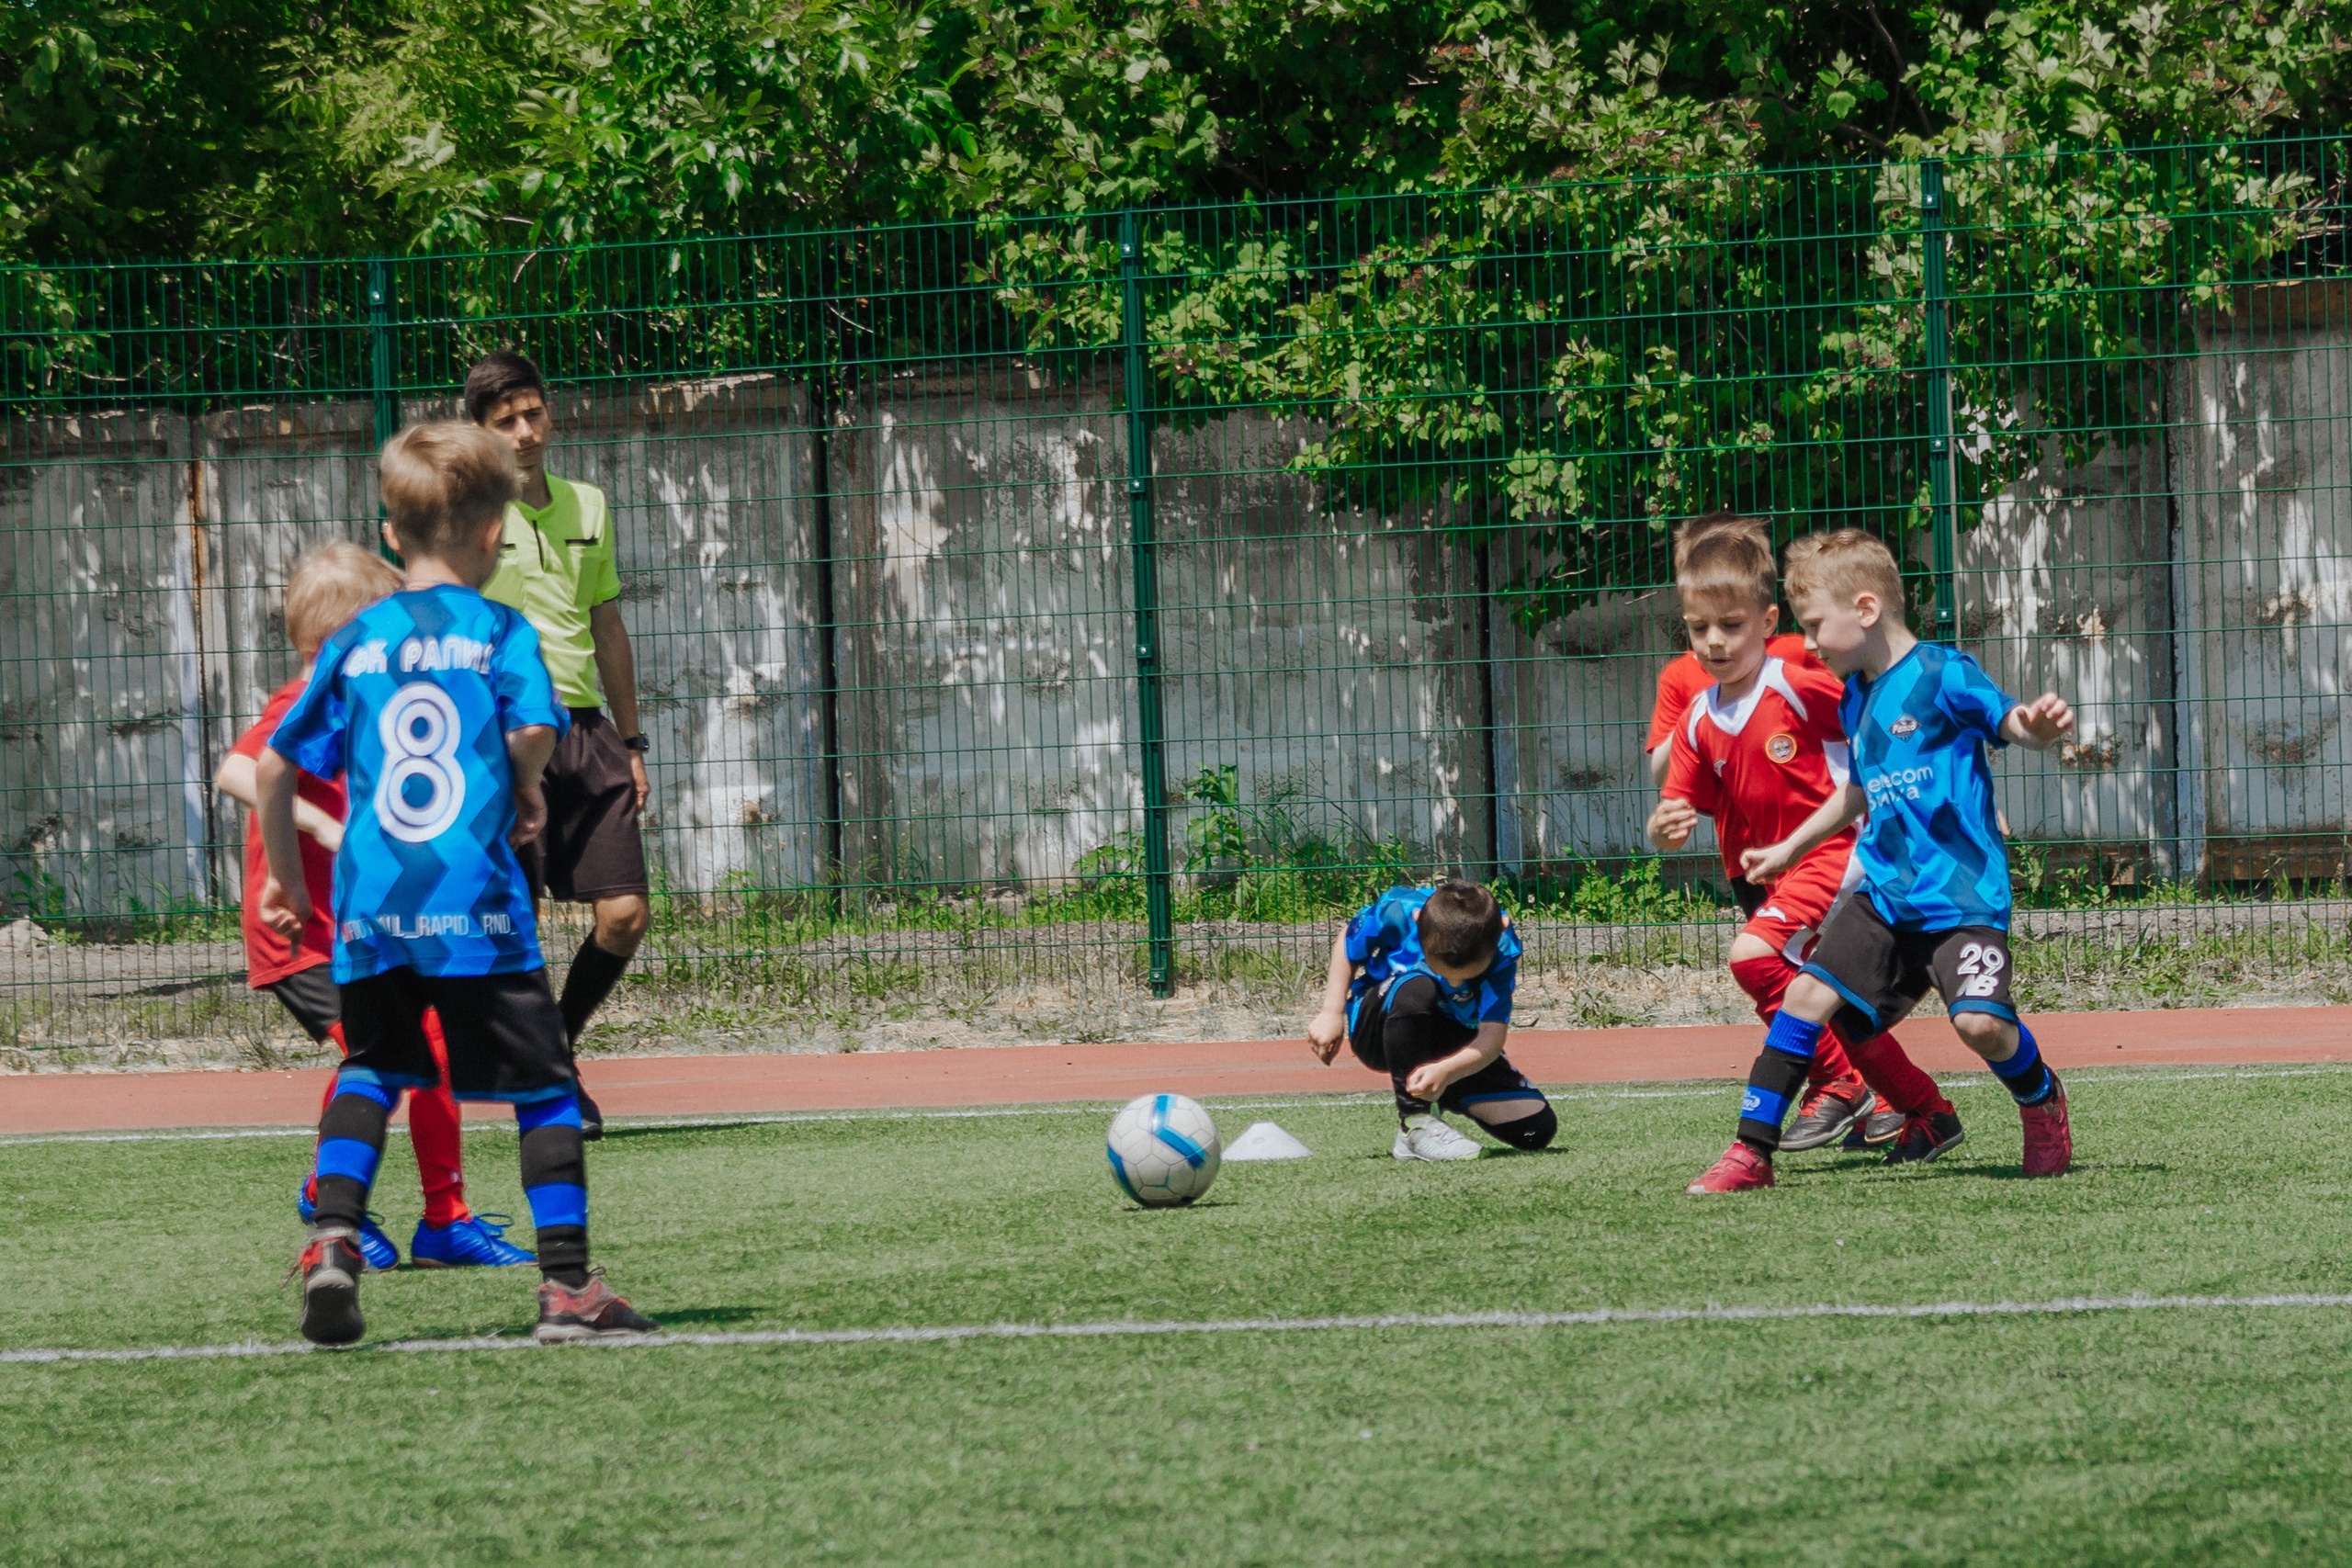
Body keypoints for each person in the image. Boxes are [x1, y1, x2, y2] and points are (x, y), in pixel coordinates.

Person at [257, 421, 657, 1344]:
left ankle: (335, 1240)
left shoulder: (356, 639)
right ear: (494, 535)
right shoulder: (499, 632)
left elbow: (276, 768)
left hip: (369, 909)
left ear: (392, 535)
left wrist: (288, 883)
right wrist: (520, 785)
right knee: (546, 1086)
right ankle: (568, 1291)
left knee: (371, 1070)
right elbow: (538, 729)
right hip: (473, 904)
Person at [1686, 527, 2076, 1194]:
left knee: (1981, 1024)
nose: (1807, 644)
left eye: (1813, 626)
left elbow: (2007, 719)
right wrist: (1789, 847)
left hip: (1962, 901)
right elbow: (1858, 792)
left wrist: (2031, 730)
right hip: (1887, 900)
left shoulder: (1940, 674)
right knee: (1808, 997)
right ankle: (1751, 1153)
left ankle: (2041, 1099)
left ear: (1864, 609)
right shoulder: (1857, 697)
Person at [215, 543, 531, 1270]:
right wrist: (318, 824)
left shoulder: (366, 699)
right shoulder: (302, 700)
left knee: (421, 1050)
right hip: (300, 939)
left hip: (359, 929)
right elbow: (236, 768)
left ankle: (436, 1217)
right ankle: (376, 1201)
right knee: (400, 1052)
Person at [1640, 519, 1952, 1187]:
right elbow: (1676, 808)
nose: (1715, 643)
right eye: (1700, 629)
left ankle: (1831, 1086)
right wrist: (1664, 826)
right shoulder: (1696, 716)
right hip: (1771, 873)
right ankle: (1926, 1110)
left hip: (1839, 852)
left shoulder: (1795, 677)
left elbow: (1878, 713)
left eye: (1730, 625)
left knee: (1751, 956)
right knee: (1836, 1004)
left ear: (1767, 620)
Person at [467, 350, 650, 1138]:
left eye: (534, 412)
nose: (525, 429)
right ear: (480, 431)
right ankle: (550, 1079)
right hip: (500, 737)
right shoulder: (467, 517)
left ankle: (555, 1051)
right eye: (505, 419)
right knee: (518, 922)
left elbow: (606, 623)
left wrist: (633, 737)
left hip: (585, 730)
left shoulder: (588, 506)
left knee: (627, 913)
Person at [1306, 881, 1559, 1161]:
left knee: (1535, 1129)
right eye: (1444, 970)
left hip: (1450, 1035)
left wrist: (1448, 1072)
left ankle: (1436, 1090)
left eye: (1468, 974)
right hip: (1380, 1025)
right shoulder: (1400, 910)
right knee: (1418, 987)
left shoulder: (1500, 946)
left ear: (1501, 926)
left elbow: (1491, 1037)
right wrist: (1331, 1011)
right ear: (1417, 922)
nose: (1454, 982)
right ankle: (1414, 1123)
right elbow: (1347, 939)